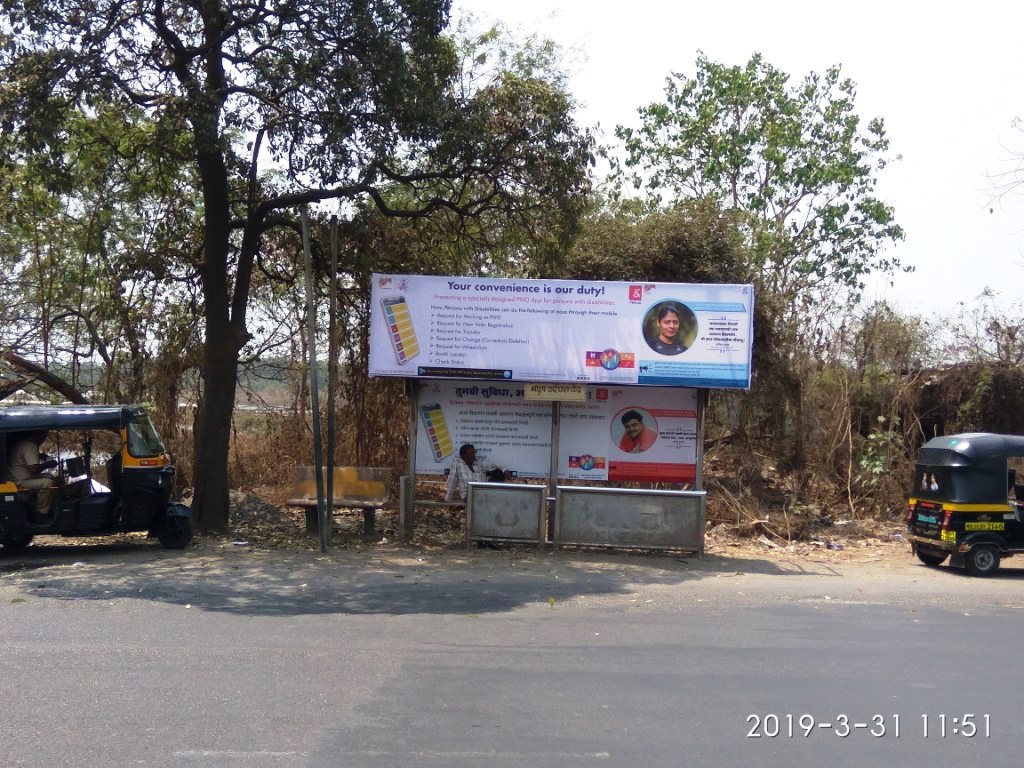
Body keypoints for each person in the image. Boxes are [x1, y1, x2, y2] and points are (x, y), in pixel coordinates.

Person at [7, 430, 58, 516]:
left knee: (51, 477)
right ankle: (41, 512)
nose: (42, 440)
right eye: (43, 437)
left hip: (17, 479)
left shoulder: (21, 444)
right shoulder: (30, 445)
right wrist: (48, 464)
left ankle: (45, 505)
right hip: (18, 482)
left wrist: (40, 456)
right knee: (48, 483)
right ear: (37, 435)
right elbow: (34, 470)